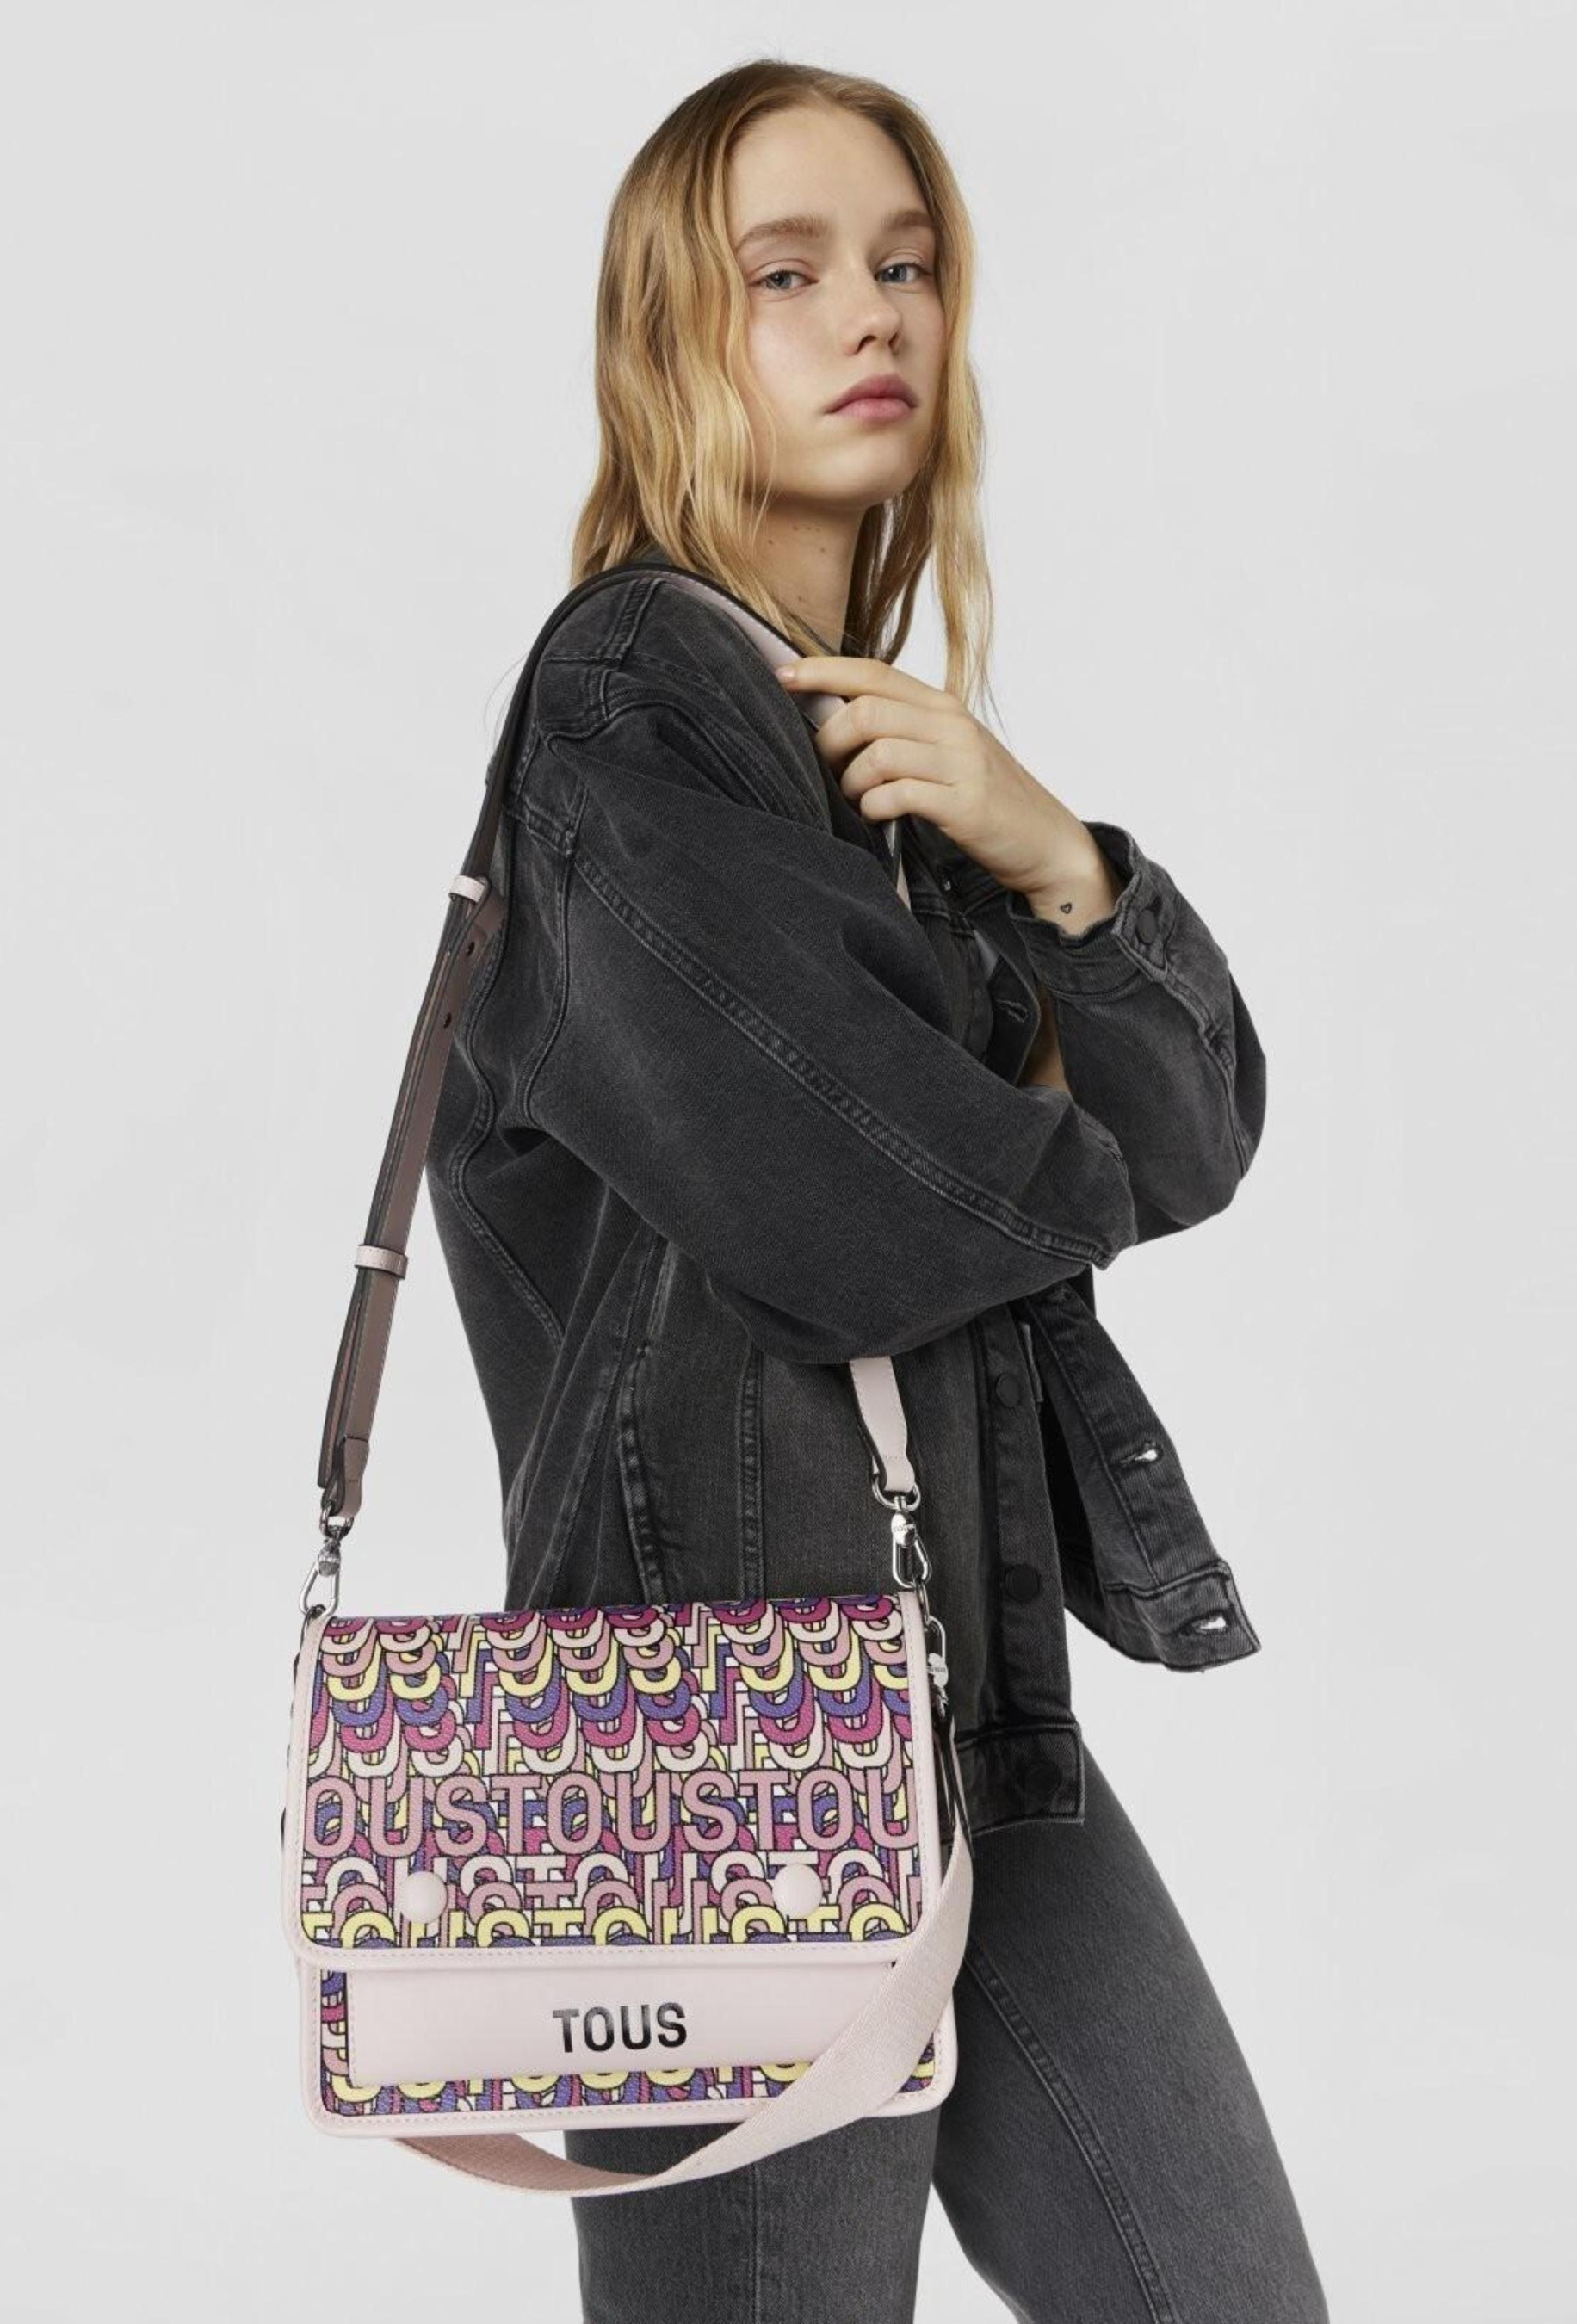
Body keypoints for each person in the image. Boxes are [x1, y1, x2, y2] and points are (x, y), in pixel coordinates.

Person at [423, 57, 1330, 2324]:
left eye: (907, 263)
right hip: (714, 1750)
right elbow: (874, 1195)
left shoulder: (874, 749)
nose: (872, 314)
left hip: (961, 1713)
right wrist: (1044, 1076)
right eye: (788, 272)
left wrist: (1064, 862)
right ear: (669, 328)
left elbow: (1193, 1132)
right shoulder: (630, 696)